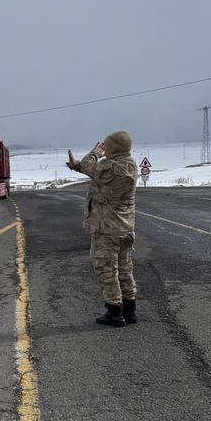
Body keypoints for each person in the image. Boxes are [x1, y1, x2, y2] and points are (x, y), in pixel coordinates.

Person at [66, 131, 138, 327]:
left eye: (107, 146)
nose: (104, 149)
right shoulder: (130, 164)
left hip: (107, 228)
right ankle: (130, 311)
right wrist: (79, 165)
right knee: (125, 269)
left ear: (112, 148)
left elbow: (90, 166)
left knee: (107, 270)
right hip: (126, 228)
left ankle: (114, 312)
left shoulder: (109, 167)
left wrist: (95, 153)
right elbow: (92, 170)